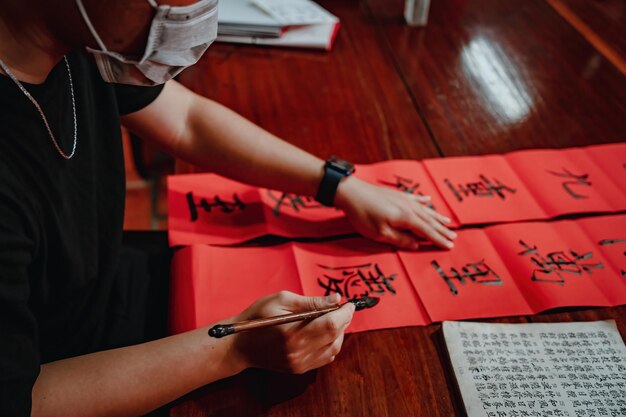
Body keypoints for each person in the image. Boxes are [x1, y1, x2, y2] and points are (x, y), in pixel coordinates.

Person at [0, 0, 456, 415]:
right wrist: (235, 348)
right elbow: (25, 401)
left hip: (114, 287)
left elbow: (186, 121)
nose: (199, 11)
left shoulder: (76, 40)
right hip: (83, 373)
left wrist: (338, 184)